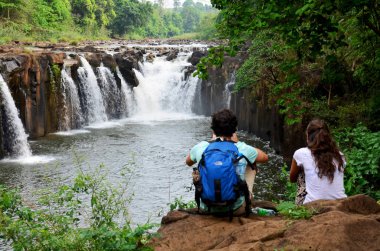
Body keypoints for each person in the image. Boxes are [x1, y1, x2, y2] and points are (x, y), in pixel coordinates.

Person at [185, 109, 268, 214]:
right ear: (234, 130)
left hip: (206, 208)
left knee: (199, 165)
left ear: (213, 130)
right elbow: (265, 157)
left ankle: (207, 198)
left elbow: (188, 162)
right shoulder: (241, 148)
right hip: (236, 209)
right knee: (251, 161)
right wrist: (237, 142)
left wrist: (213, 142)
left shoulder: (202, 146)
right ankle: (248, 198)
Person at [290, 119, 347, 205]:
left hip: (313, 205)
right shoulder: (340, 156)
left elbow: (292, 179)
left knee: (301, 174)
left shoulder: (301, 153)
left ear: (308, 135)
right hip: (340, 204)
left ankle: (299, 207)